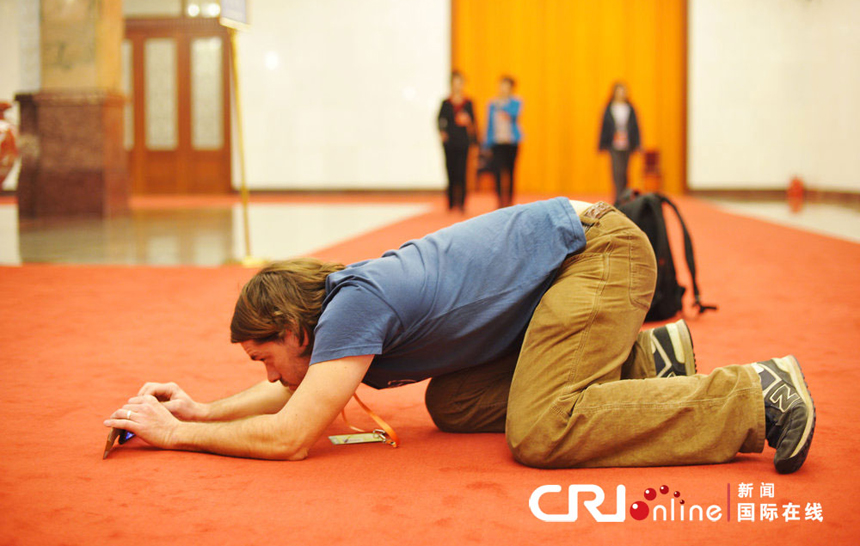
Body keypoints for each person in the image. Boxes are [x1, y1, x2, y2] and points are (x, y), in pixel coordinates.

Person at [106, 198, 815, 474]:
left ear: (295, 329)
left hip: (599, 256)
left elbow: (294, 430)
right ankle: (646, 359)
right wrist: (198, 410)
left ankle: (756, 395)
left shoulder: (355, 307)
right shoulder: (341, 311)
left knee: (543, 431)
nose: (267, 375)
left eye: (266, 358)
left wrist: (173, 437)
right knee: (455, 403)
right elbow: (294, 398)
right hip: (569, 279)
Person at [437, 71, 477, 213]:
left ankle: (462, 203)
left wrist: (475, 141)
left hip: (463, 142)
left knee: (462, 173)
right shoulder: (446, 103)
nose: (457, 86)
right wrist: (442, 132)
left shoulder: (468, 103)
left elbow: (474, 123)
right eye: (455, 82)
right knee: (451, 172)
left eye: (460, 82)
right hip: (450, 143)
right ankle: (451, 202)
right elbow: (439, 120)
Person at [599, 82, 641, 203]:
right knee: (617, 171)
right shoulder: (609, 108)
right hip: (614, 144)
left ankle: (625, 196)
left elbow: (636, 127)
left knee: (625, 171)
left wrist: (637, 143)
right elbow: (604, 127)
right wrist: (602, 143)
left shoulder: (630, 108)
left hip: (627, 144)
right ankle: (617, 197)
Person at [483, 76, 522, 208]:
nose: (503, 89)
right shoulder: (492, 103)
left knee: (510, 171)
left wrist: (502, 105)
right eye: (501, 85)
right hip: (496, 143)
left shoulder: (516, 102)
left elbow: (514, 114)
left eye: (506, 86)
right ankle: (499, 201)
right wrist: (486, 144)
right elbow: (489, 124)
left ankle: (509, 200)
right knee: (497, 172)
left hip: (511, 142)